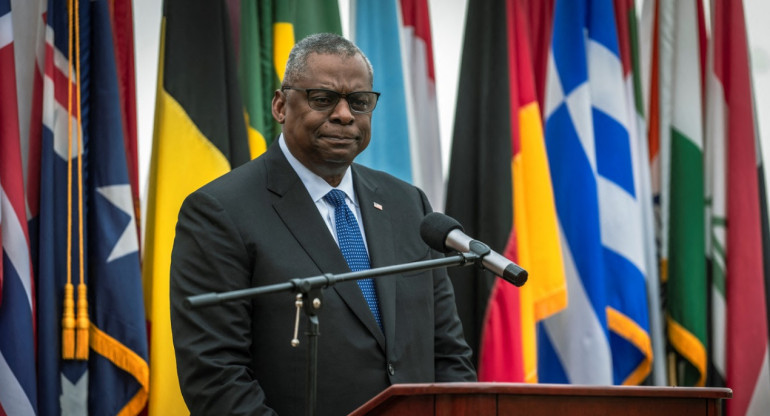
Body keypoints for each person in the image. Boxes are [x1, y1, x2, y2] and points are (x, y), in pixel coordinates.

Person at [169, 33, 476, 416]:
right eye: (323, 99)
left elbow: (448, 352)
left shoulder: (408, 205)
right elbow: (215, 376)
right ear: (281, 105)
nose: (345, 115)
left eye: (359, 102)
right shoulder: (219, 212)